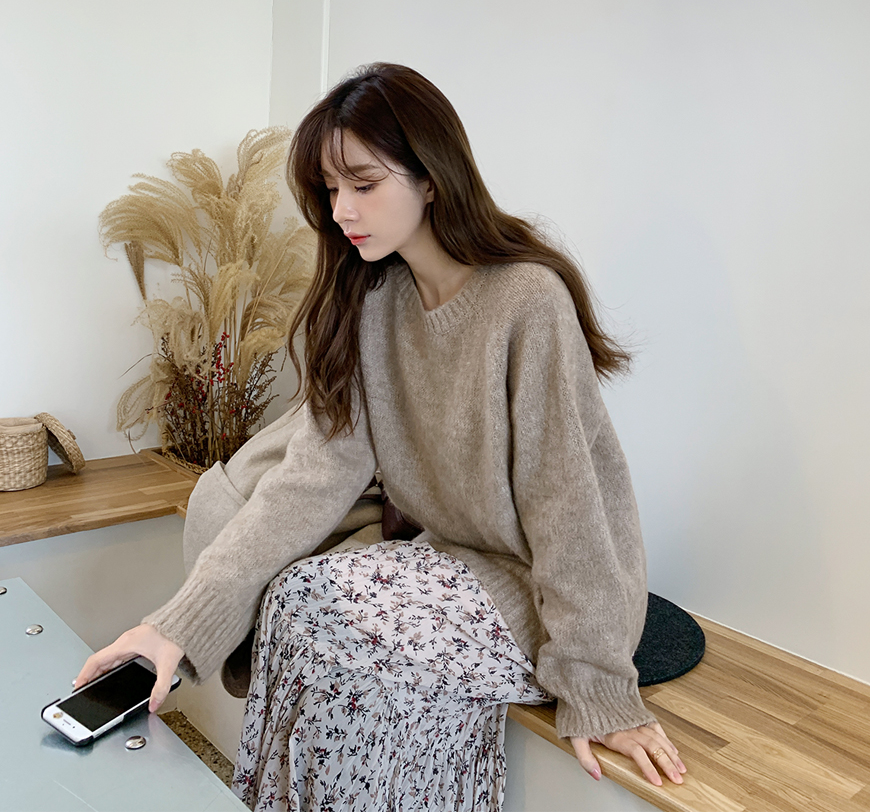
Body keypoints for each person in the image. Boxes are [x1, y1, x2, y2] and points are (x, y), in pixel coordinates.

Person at [76, 63, 687, 810]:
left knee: (347, 640)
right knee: (298, 599)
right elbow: (309, 480)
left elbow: (567, 508)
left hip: (540, 588)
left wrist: (596, 686)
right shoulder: (374, 302)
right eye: (331, 189)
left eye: (364, 184)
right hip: (451, 560)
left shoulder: (527, 300)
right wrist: (175, 628)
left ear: (431, 177)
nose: (342, 210)